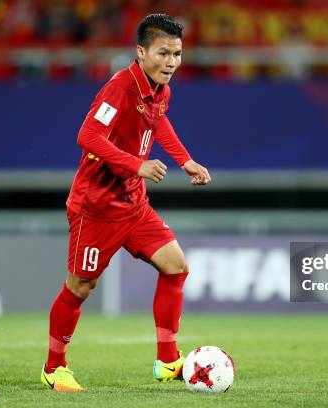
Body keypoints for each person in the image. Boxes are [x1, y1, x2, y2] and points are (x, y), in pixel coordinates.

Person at [40, 13, 211, 392]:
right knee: (80, 288)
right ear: (141, 52)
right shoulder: (120, 87)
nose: (171, 62)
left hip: (133, 204)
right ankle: (54, 367)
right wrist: (137, 164)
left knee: (175, 266)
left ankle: (167, 360)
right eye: (164, 53)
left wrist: (184, 160)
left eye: (177, 54)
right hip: (97, 206)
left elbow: (159, 121)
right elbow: (88, 135)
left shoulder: (161, 90)